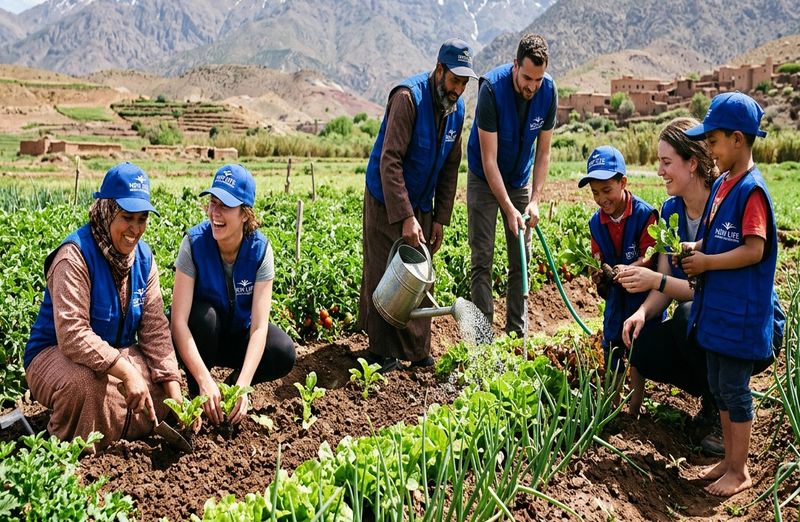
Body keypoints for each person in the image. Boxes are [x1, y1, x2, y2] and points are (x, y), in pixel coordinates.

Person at [24, 162, 181, 452]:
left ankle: (110, 425)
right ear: (107, 210)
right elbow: (72, 335)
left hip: (115, 353)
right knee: (85, 384)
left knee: (159, 381)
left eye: (142, 219)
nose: (135, 229)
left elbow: (156, 329)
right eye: (127, 217)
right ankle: (68, 448)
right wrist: (127, 373)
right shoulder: (75, 256)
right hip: (55, 353)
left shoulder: (144, 260)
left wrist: (174, 391)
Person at [681, 92, 779, 496]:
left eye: (715, 141)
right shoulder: (723, 183)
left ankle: (740, 470)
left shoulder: (751, 190)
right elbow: (718, 235)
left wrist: (707, 264)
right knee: (719, 384)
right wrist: (698, 247)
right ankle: (728, 460)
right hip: (718, 311)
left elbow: (754, 249)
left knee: (736, 389)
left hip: (740, 314)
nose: (710, 149)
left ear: (738, 140)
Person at [359, 38, 476, 372]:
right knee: (386, 270)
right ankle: (382, 353)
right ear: (439, 70)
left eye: (464, 83)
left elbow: (451, 167)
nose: (458, 89)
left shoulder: (457, 111)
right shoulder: (408, 98)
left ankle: (417, 350)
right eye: (455, 80)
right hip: (387, 198)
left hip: (422, 200)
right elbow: (390, 162)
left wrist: (439, 218)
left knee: (419, 274)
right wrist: (406, 217)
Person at [171, 164, 296, 426]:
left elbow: (260, 327)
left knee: (283, 350)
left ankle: (228, 393)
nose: (215, 213)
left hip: (239, 336)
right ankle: (198, 396)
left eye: (225, 206)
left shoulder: (260, 251)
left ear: (244, 214)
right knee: (203, 318)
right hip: (203, 339)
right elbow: (178, 323)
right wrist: (205, 380)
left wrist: (243, 386)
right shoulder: (193, 244)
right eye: (213, 202)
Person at [619, 117, 718, 420]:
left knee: (690, 314)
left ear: (691, 163)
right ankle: (709, 390)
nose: (660, 171)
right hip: (699, 319)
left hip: (735, 321)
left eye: (666, 162)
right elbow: (664, 285)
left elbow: (707, 292)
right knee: (643, 348)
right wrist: (641, 313)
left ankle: (720, 407)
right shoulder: (671, 210)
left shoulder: (722, 206)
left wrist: (655, 279)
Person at [466, 33, 557, 336]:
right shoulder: (491, 89)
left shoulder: (548, 93)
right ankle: (482, 338)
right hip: (484, 177)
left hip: (518, 178)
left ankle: (516, 333)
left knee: (521, 257)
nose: (532, 86)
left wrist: (534, 200)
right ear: (515, 64)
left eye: (539, 79)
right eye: (528, 77)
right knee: (483, 256)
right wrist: (507, 207)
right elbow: (489, 160)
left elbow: (543, 152)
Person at [578, 145, 659, 380]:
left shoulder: (645, 215)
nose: (602, 199)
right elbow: (597, 257)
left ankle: (634, 408)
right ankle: (614, 400)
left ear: (623, 183)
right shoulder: (596, 223)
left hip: (642, 297)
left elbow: (650, 256)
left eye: (606, 190)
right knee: (612, 344)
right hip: (615, 298)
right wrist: (597, 271)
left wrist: (627, 270)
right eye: (595, 193)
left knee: (640, 350)